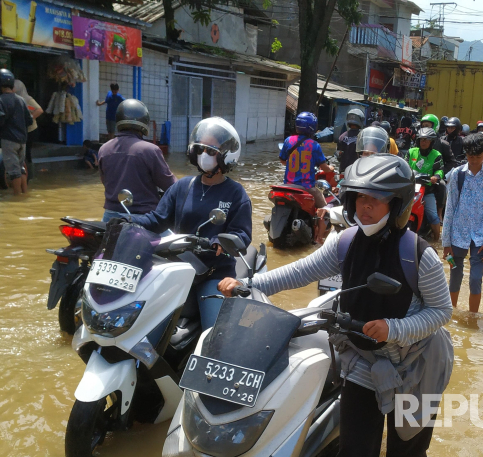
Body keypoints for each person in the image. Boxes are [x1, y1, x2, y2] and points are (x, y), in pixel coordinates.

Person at [217, 154, 453, 457]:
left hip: (418, 364)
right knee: (353, 456)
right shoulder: (343, 242)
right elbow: (297, 272)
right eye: (360, 197)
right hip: (365, 359)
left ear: (398, 203)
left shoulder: (419, 255)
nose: (365, 206)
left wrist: (396, 328)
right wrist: (247, 284)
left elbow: (441, 312)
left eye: (375, 199)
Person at [131, 117, 251, 331]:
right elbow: (157, 220)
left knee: (213, 335)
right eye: (200, 149)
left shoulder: (235, 193)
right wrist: (129, 222)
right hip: (177, 269)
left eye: (211, 151)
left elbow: (241, 234)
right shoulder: (183, 186)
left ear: (226, 156)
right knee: (139, 320)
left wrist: (219, 243)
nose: (204, 155)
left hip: (213, 273)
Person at [442, 133, 483, 314]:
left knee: (476, 279)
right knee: (454, 275)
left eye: (477, 157)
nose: (473, 161)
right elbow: (450, 208)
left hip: (481, 238)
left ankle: (473, 319)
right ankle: (450, 315)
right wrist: (446, 243)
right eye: (470, 157)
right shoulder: (456, 174)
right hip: (456, 236)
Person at [98, 99, 176, 221]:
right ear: (144, 122)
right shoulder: (150, 150)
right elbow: (170, 185)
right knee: (174, 240)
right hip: (143, 218)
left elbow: (105, 181)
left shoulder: (104, 149)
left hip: (109, 217)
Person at [279, 111, 334, 241]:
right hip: (306, 187)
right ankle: (319, 238)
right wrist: (331, 168)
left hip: (286, 186)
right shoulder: (314, 145)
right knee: (324, 209)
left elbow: (282, 161)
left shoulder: (288, 140)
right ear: (312, 127)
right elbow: (324, 168)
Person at [0, 69, 33, 195]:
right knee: (21, 169)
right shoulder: (21, 100)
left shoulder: (0, 100)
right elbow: (29, 120)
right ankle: (24, 193)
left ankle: (17, 197)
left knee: (14, 171)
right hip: (22, 140)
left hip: (9, 140)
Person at [408, 127, 445, 240]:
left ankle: (437, 240)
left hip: (427, 190)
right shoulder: (411, 152)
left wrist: (436, 176)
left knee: (433, 216)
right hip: (409, 189)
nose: (423, 142)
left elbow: (440, 169)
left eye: (426, 140)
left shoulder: (436, 155)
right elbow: (403, 164)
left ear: (431, 142)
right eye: (421, 139)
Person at [13, 79, 43, 167]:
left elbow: (39, 110)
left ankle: (28, 173)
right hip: (20, 130)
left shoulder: (27, 99)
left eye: (13, 87)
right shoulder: (13, 99)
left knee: (26, 153)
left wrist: (28, 119)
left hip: (30, 130)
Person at [336, 108, 365, 173]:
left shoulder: (342, 137)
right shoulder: (362, 137)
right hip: (356, 172)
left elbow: (338, 155)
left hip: (343, 170)